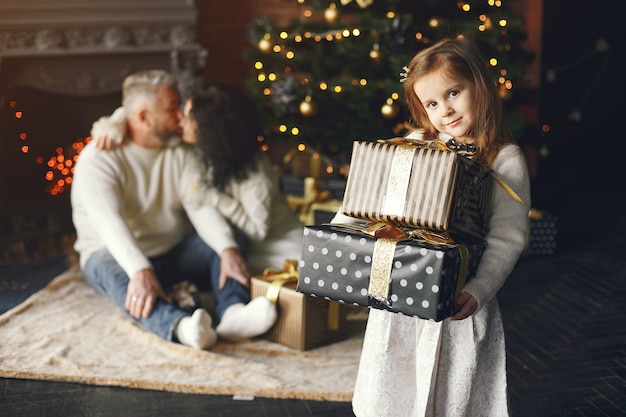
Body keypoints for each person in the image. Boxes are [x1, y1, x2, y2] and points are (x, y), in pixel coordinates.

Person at [332, 37, 531, 416]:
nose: (446, 110)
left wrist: (478, 289)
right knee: (394, 387)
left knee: (451, 396)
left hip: (457, 302)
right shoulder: (416, 144)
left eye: (454, 92)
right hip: (401, 294)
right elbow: (372, 197)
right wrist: (340, 233)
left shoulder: (504, 160)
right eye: (433, 103)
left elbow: (506, 240)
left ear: (480, 86)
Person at [71, 70, 278, 351]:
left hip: (171, 252)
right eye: (172, 108)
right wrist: (140, 270)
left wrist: (227, 249)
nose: (181, 116)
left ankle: (232, 313)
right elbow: (110, 225)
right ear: (143, 117)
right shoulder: (98, 159)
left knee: (228, 239)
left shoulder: (180, 152)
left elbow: (199, 205)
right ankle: (181, 328)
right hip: (115, 256)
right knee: (109, 268)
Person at [91, 82, 304, 274]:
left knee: (220, 253)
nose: (179, 121)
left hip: (280, 252)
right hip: (245, 248)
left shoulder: (256, 173)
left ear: (209, 126)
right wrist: (113, 125)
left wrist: (214, 197)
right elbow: (144, 112)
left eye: (188, 116)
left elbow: (257, 233)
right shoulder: (208, 152)